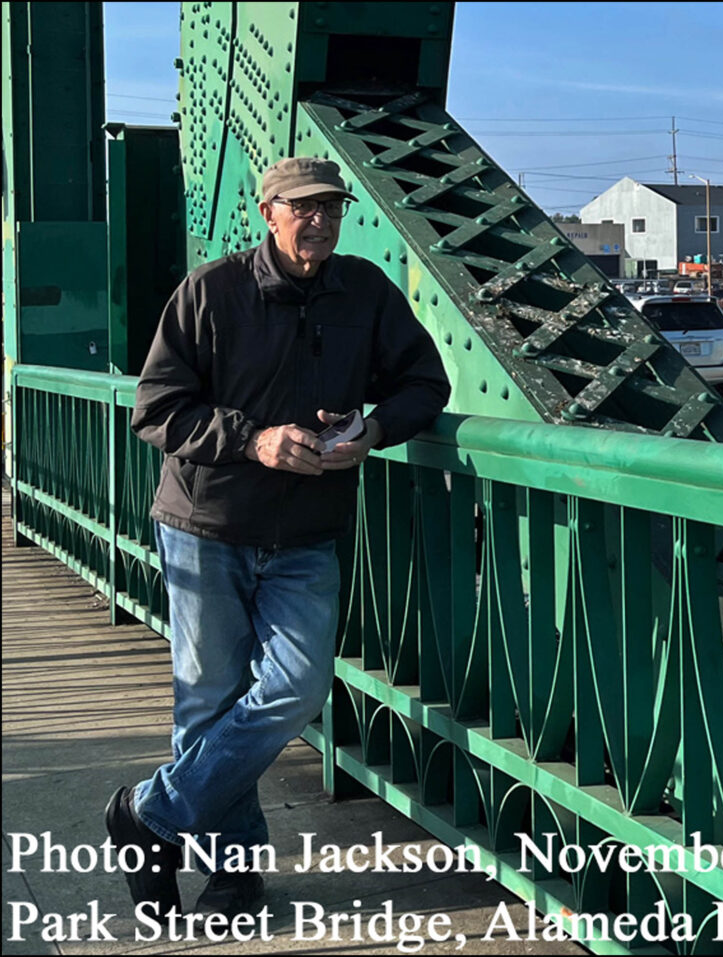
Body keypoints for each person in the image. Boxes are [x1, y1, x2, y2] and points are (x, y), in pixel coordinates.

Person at [110, 156, 451, 919]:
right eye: (304, 208)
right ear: (268, 212)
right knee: (207, 700)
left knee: (296, 687)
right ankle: (231, 873)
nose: (321, 220)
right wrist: (255, 439)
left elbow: (426, 381)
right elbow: (156, 408)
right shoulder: (211, 291)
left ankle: (148, 815)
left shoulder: (364, 291)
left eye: (332, 207)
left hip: (307, 531)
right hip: (208, 524)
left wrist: (376, 425)